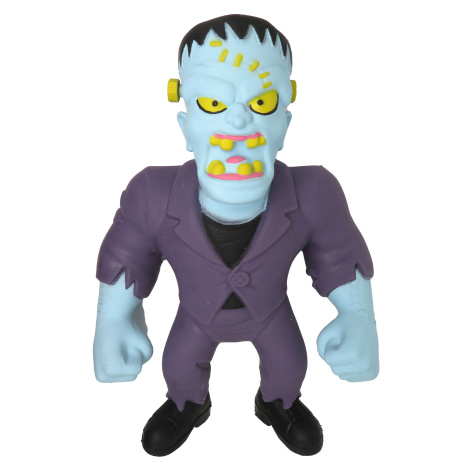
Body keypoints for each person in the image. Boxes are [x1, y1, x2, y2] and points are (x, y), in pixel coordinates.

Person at [93, 14, 379, 457]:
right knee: (179, 366)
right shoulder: (152, 194)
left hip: (269, 312)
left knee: (289, 366)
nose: (239, 123)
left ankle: (278, 402)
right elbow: (127, 255)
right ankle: (188, 403)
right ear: (185, 126)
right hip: (197, 314)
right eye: (213, 103)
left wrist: (359, 318)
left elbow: (339, 256)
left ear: (285, 124)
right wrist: (113, 319)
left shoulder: (315, 193)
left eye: (262, 103)